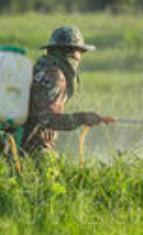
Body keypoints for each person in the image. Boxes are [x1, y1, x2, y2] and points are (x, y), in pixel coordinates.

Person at [21, 25, 113, 153]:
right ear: (72, 53)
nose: (80, 58)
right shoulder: (55, 76)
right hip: (31, 150)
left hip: (17, 144)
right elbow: (48, 120)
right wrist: (83, 118)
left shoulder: (39, 69)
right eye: (80, 53)